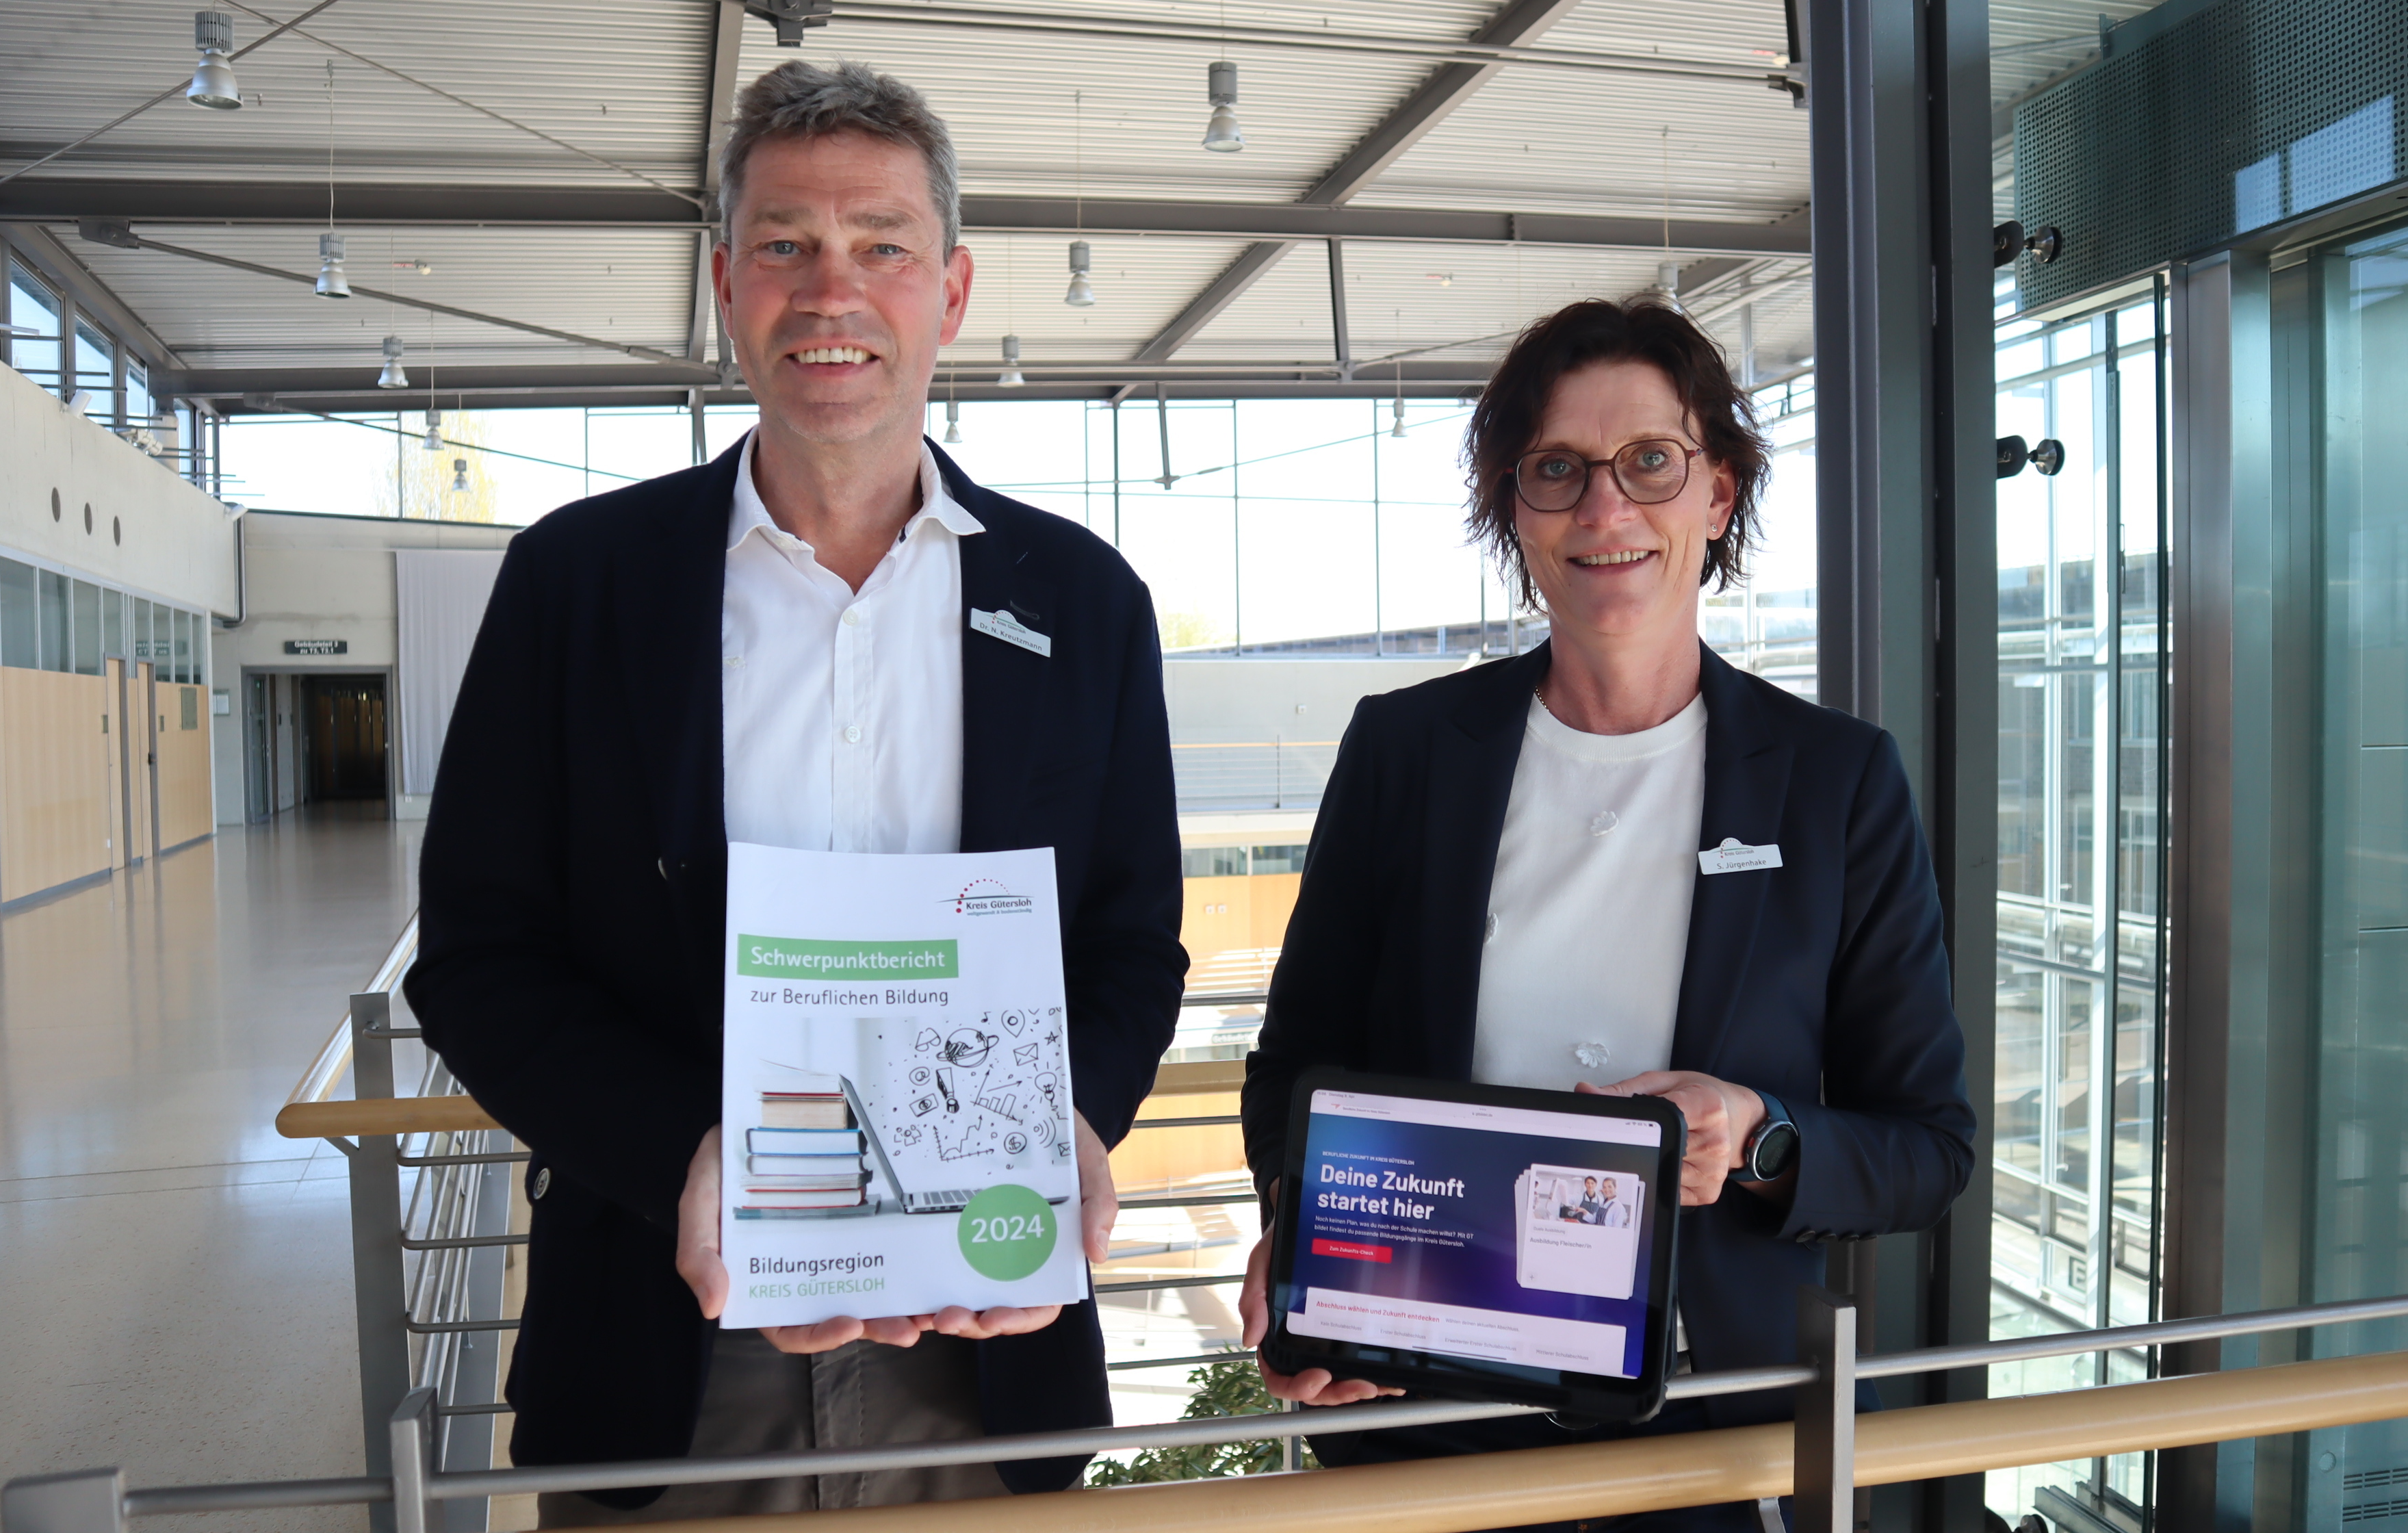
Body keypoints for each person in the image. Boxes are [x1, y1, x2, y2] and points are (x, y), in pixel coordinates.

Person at [406, 60, 1186, 1525]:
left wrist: (1069, 1122)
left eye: (883, 245)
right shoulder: (577, 586)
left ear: (951, 290)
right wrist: (686, 1158)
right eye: (786, 245)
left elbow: (1133, 943)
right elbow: (479, 957)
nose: (834, 291)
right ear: (725, 284)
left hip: (986, 1348)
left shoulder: (1085, 602)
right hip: (665, 1343)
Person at [1237, 296, 1974, 1532]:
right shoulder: (1405, 751)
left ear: (1718, 495)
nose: (1604, 508)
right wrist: (1299, 1227)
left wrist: (1759, 1136)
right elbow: (1296, 1062)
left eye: (1649, 462)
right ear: (1513, 510)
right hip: (1426, 1400)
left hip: (1702, 1438)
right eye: (1557, 470)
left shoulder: (1836, 781)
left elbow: (1927, 1148)